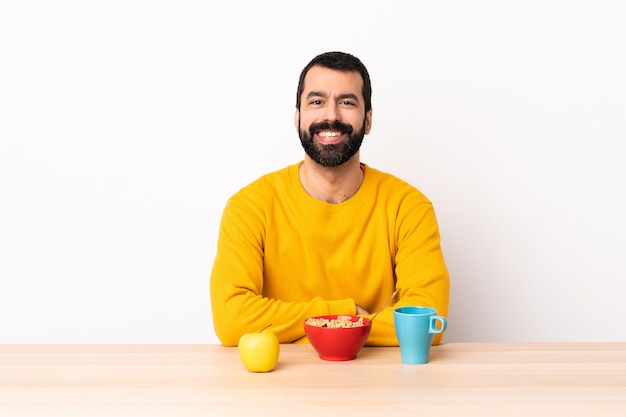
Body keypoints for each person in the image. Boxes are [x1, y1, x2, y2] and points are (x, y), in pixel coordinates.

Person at [210, 51, 450, 346]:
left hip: (382, 386)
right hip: (277, 385)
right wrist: (343, 314)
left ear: (369, 119)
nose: (331, 115)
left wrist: (302, 329)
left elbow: (428, 321)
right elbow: (231, 319)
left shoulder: (409, 208)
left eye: (347, 102)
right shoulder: (250, 208)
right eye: (317, 101)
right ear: (297, 116)